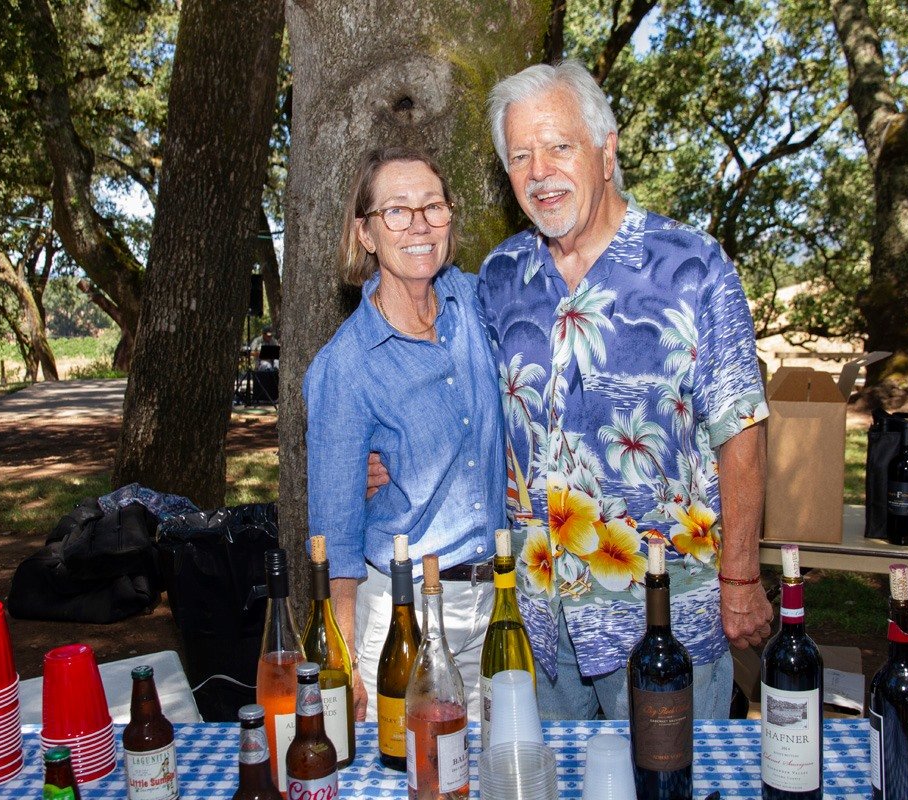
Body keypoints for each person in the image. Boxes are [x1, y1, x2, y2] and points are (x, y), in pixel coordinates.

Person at [477, 60, 772, 721]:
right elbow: (467, 406)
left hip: (667, 622)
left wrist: (743, 577)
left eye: (559, 146)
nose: (539, 172)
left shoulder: (693, 267)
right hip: (537, 627)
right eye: (520, 155)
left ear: (606, 151)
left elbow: (742, 436)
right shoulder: (499, 278)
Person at [303, 147, 505, 724]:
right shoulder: (345, 368)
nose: (418, 225)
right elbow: (335, 538)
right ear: (365, 233)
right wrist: (340, 661)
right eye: (396, 210)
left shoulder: (475, 302)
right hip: (404, 622)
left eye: (432, 206)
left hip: (499, 609)